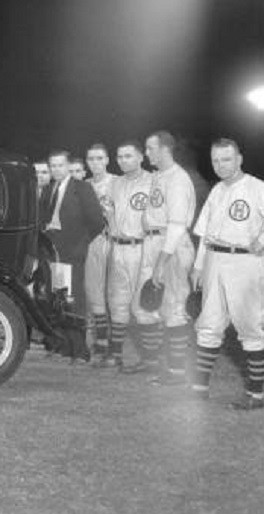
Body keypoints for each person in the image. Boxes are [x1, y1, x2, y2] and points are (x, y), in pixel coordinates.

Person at [189, 139, 264, 410]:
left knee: (250, 327)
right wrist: (198, 266)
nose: (221, 165)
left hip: (246, 261)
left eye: (226, 159)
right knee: (208, 324)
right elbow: (205, 233)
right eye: (216, 160)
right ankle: (199, 389)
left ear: (239, 159)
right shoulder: (217, 190)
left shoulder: (258, 188)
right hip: (215, 259)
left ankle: (255, 396)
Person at [124, 131, 196, 384]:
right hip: (153, 241)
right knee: (143, 307)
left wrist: (161, 263)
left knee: (173, 308)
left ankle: (177, 372)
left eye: (150, 148)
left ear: (165, 149)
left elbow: (176, 225)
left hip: (172, 245)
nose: (147, 153)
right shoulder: (159, 176)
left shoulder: (178, 179)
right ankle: (151, 362)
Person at [42, 150, 105, 359]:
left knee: (75, 299)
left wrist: (82, 242)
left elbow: (97, 220)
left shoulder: (81, 188)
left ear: (68, 166)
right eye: (53, 166)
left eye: (60, 165)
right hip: (54, 252)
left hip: (73, 251)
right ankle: (64, 345)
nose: (56, 169)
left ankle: (79, 349)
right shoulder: (48, 189)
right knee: (60, 298)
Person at [97, 141, 153, 368]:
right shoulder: (115, 183)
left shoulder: (153, 181)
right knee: (117, 301)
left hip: (142, 247)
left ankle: (151, 359)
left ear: (140, 157)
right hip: (117, 246)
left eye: (128, 156)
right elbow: (107, 211)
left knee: (145, 305)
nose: (123, 160)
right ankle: (115, 354)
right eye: (120, 156)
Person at [83, 144, 117, 363]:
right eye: (91, 159)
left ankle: (116, 343)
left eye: (99, 158)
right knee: (94, 293)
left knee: (116, 295)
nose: (95, 163)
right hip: (92, 242)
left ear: (107, 160)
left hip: (116, 241)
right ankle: (102, 342)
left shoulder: (118, 183)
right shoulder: (83, 186)